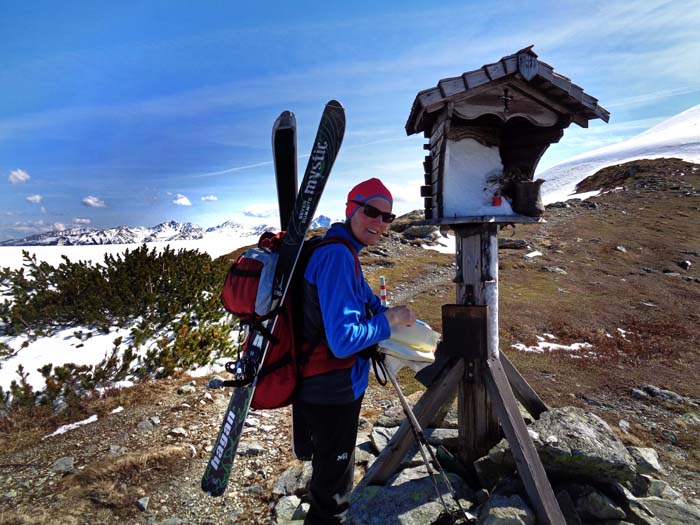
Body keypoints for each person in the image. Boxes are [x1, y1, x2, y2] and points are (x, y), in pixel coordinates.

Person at [294, 177, 416, 524]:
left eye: (387, 217)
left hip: (320, 384)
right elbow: (344, 339)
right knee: (333, 496)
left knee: (328, 473)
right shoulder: (337, 257)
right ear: (351, 209)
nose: (379, 222)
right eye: (371, 212)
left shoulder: (340, 249)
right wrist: (390, 320)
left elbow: (366, 299)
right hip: (332, 389)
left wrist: (386, 312)